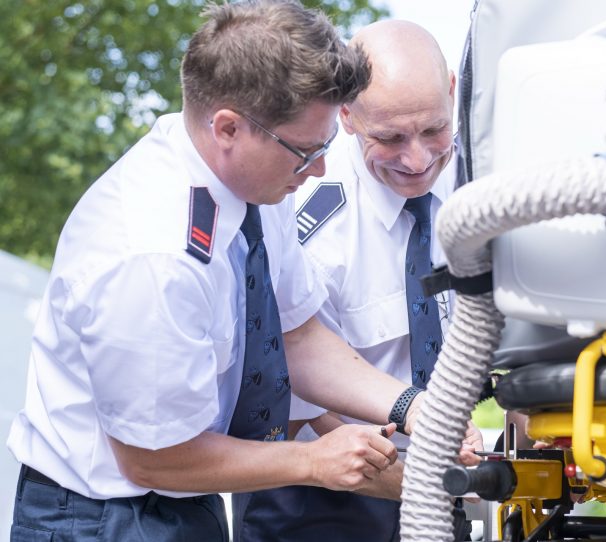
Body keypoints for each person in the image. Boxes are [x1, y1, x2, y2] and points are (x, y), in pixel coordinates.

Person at [6, 3, 439, 540]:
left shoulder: (256, 182)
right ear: (228, 127)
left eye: (324, 147)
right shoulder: (153, 253)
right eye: (305, 152)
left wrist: (415, 407)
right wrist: (312, 462)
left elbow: (297, 334)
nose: (320, 170)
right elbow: (154, 459)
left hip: (187, 499)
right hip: (102, 516)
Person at [232, 19, 479, 542]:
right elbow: (298, 380)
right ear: (345, 113)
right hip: (316, 494)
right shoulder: (300, 211)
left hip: (442, 481)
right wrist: (412, 480)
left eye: (434, 129)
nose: (418, 159)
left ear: (453, 92)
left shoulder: (480, 185)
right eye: (389, 137)